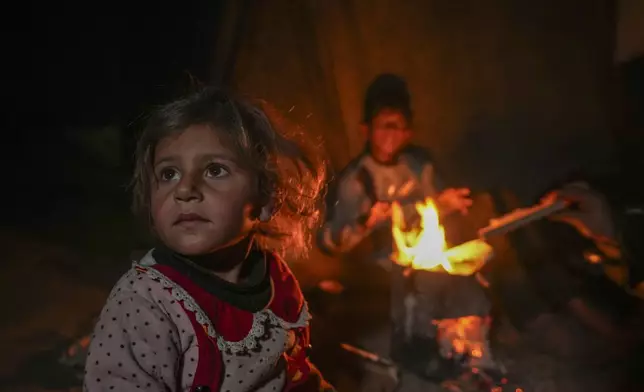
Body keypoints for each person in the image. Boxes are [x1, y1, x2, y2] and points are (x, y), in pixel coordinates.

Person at [83, 88, 334, 391]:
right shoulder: (145, 303)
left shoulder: (276, 280)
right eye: (169, 174)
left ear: (266, 198)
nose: (185, 189)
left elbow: (295, 374)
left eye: (215, 170)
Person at [317, 74, 489, 390]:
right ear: (366, 129)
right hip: (383, 272)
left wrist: (448, 204)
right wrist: (365, 223)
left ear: (409, 132)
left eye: (399, 127)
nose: (392, 135)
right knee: (406, 311)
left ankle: (467, 358)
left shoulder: (419, 166)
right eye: (385, 126)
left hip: (426, 261)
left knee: (465, 283)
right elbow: (332, 240)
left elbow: (434, 213)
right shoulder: (357, 180)